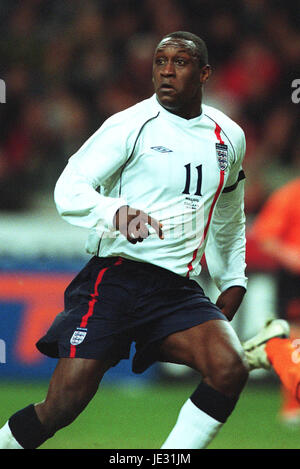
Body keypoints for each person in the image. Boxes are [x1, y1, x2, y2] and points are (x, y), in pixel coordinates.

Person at [0, 31, 250, 450]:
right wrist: (115, 213)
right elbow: (69, 188)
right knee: (61, 407)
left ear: (204, 73)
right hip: (115, 279)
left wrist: (232, 277)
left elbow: (228, 213)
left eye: (181, 62)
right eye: (160, 61)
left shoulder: (229, 137)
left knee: (230, 367)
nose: (167, 71)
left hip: (175, 289)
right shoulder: (129, 125)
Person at [246, 179, 300, 424]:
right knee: (296, 339)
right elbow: (264, 235)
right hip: (293, 279)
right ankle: (293, 405)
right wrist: (290, 254)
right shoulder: (289, 194)